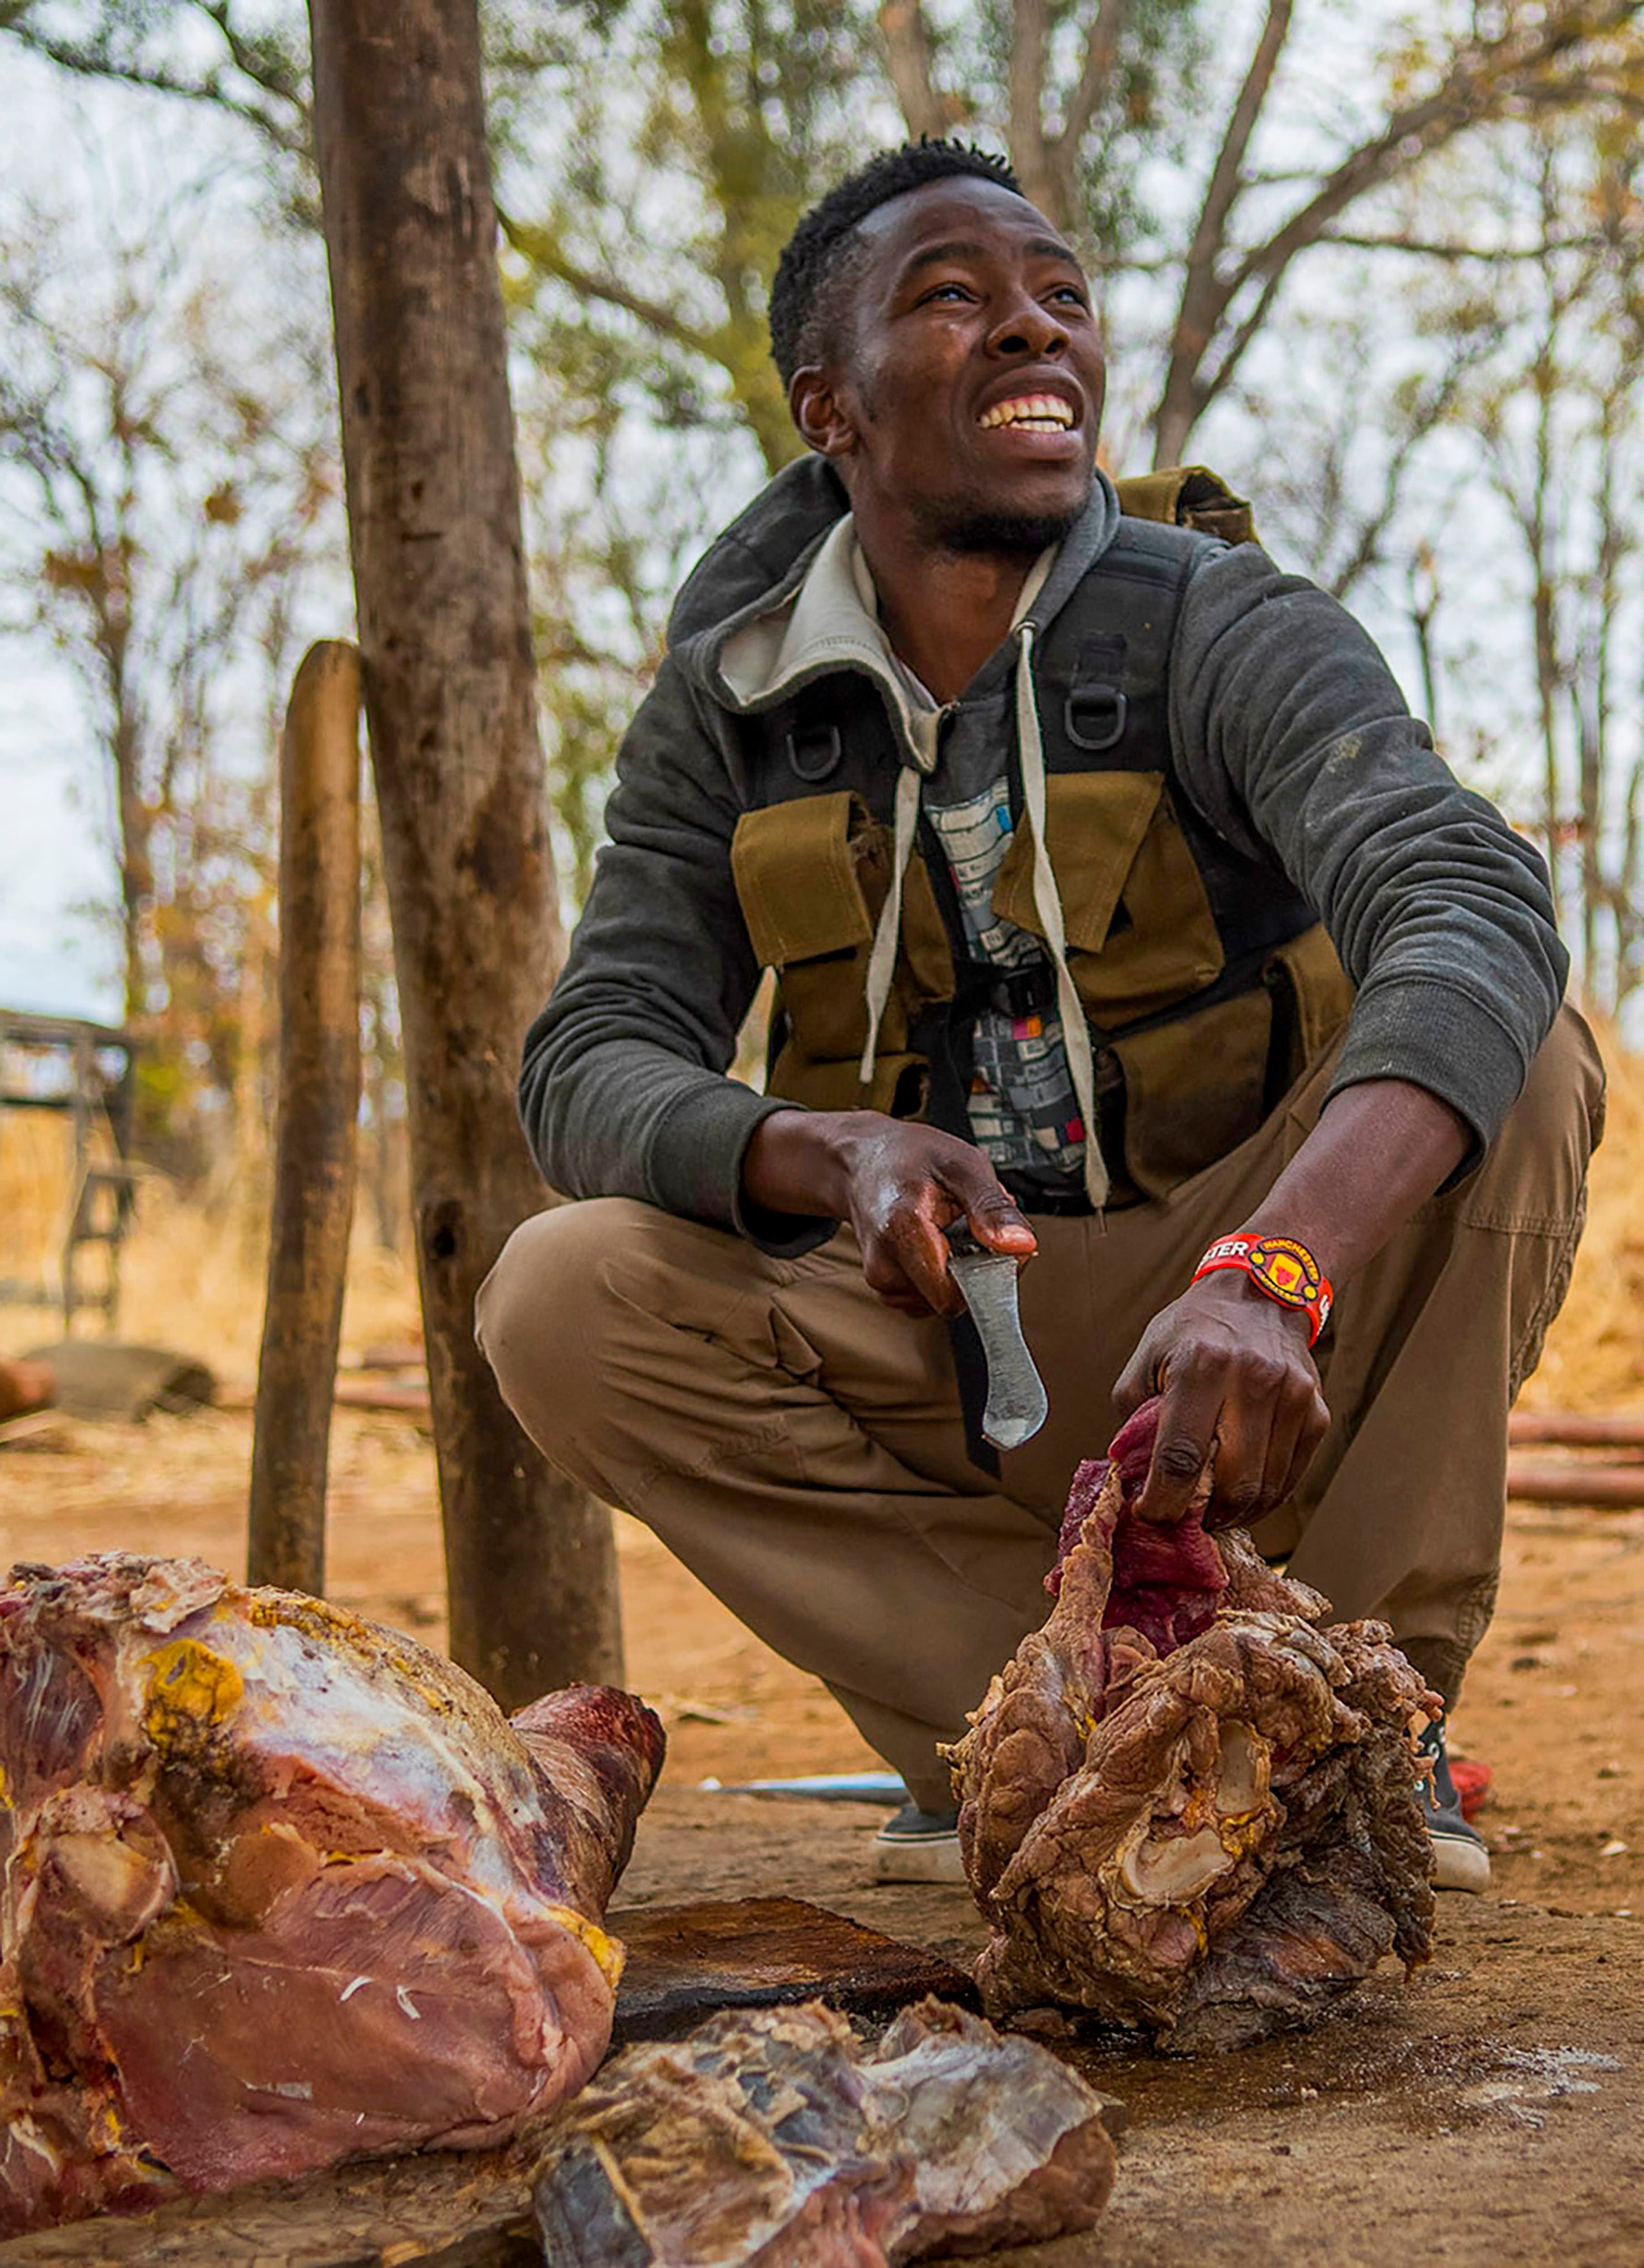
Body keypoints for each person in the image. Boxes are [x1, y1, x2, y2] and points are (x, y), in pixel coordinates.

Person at [477, 142, 1602, 1895]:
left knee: (1519, 1055)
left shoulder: (1222, 622)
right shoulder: (729, 697)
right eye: (954, 299)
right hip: (947, 1333)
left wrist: (1274, 1270)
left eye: (1061, 299)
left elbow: (1465, 895)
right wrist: (820, 1150)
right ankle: (1038, 1722)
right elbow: (589, 1054)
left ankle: (1360, 1716)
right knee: (559, 1294)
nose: (1034, 333)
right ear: (828, 405)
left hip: (1242, 1329)